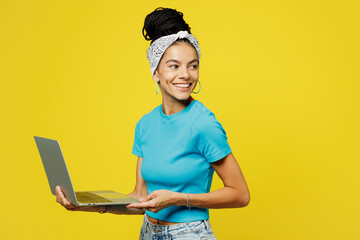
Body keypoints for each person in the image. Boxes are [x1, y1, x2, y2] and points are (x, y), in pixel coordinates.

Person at [55, 7, 250, 239]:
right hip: (148, 232)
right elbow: (140, 197)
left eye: (193, 65)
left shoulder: (203, 124)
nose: (186, 75)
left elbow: (240, 195)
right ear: (155, 72)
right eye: (174, 66)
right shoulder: (145, 125)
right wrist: (86, 205)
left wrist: (179, 198)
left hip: (189, 234)